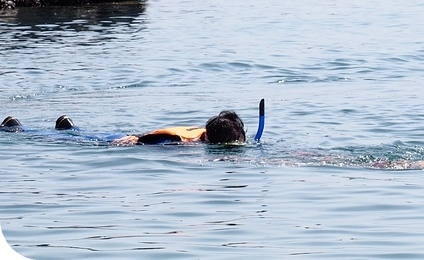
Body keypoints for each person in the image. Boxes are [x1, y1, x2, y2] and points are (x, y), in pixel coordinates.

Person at [1, 111, 246, 145]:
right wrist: (136, 139)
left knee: (78, 136)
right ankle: (16, 129)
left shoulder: (202, 131)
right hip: (126, 139)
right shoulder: (181, 140)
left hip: (135, 134)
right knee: (82, 140)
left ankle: (67, 127)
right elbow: (154, 138)